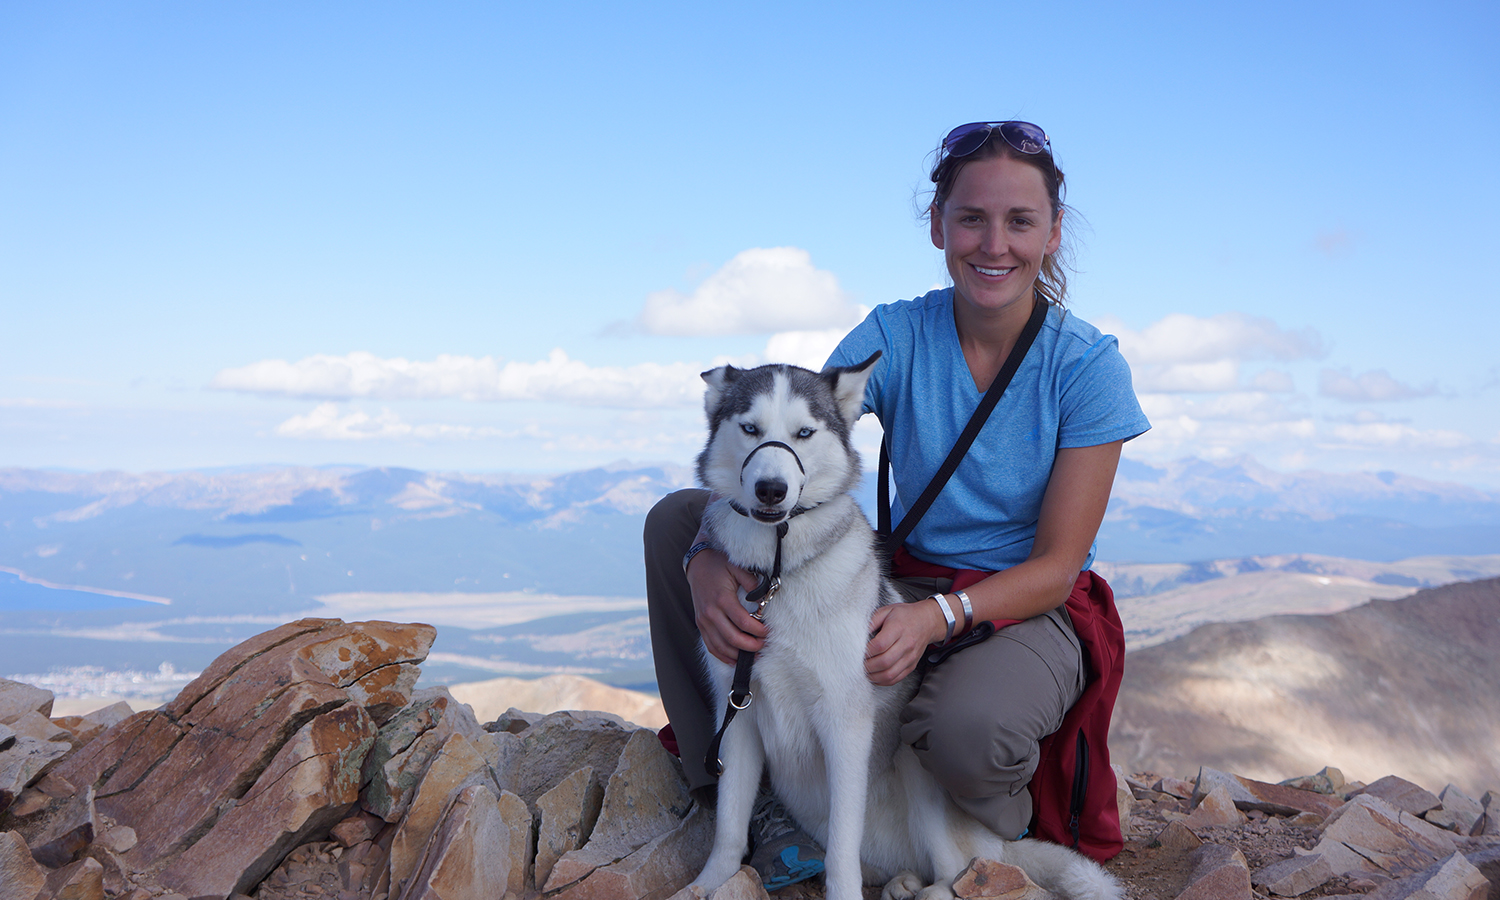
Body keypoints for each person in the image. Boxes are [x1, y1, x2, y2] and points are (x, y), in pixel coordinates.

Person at [644, 120, 1150, 889]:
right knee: (680, 519)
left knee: (962, 734)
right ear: (939, 224)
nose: (994, 244)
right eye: (972, 218)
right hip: (910, 577)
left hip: (1024, 606)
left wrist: (935, 619)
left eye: (1020, 222)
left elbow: (1055, 567)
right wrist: (704, 558)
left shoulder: (1086, 369)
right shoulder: (898, 330)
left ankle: (989, 831)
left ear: (1052, 233)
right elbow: (794, 433)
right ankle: (743, 800)